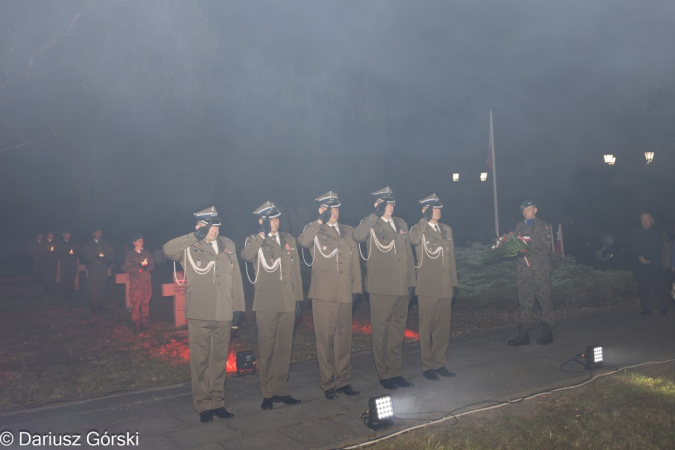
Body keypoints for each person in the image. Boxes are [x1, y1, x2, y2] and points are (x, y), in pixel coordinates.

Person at [163, 206, 245, 423]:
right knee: (200, 360)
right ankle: (202, 403)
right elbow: (167, 249)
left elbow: (236, 278)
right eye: (209, 226)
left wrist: (238, 307)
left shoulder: (228, 245)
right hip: (200, 311)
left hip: (224, 310)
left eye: (216, 225)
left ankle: (218, 401)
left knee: (219, 358)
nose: (214, 230)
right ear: (199, 226)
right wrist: (193, 237)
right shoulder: (189, 247)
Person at [297, 191, 362, 400]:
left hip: (345, 291)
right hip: (324, 293)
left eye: (336, 209)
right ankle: (327, 382)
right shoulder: (314, 229)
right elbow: (303, 242)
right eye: (329, 209)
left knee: (344, 338)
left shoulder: (348, 231)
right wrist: (319, 221)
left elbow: (355, 264)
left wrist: (357, 289)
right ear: (321, 210)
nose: (334, 213)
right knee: (325, 339)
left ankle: (343, 380)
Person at [241, 201, 303, 410]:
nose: (275, 223)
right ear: (262, 221)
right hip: (266, 303)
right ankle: (267, 393)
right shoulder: (254, 240)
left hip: (287, 301)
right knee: (266, 349)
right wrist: (262, 234)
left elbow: (296, 272)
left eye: (276, 219)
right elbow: (247, 256)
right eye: (270, 220)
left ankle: (282, 390)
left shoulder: (289, 240)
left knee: (284, 349)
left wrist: (298, 299)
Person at [353, 187, 416, 390]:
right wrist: (375, 215)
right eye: (385, 204)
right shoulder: (370, 223)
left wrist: (411, 283)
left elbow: (408, 255)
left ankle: (395, 371)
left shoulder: (401, 224)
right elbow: (358, 235)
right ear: (377, 205)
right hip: (381, 287)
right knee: (381, 332)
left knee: (397, 332)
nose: (390, 207)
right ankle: (384, 373)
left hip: (401, 286)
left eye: (391, 203)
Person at [409, 194, 458, 380]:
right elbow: (413, 241)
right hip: (427, 286)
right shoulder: (418, 229)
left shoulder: (446, 230)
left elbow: (451, 258)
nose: (437, 211)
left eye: (438, 208)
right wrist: (424, 219)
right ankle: (427, 365)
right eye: (433, 209)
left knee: (442, 328)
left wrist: (454, 282)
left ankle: (440, 363)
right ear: (426, 210)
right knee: (426, 327)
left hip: (445, 285)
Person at [508, 200, 554, 346]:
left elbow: (545, 247)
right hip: (523, 270)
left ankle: (547, 330)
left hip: (539, 269)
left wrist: (528, 250)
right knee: (524, 300)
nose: (525, 212)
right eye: (523, 210)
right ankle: (524, 332)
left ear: (535, 210)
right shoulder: (519, 226)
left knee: (544, 299)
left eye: (528, 209)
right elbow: (515, 244)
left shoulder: (543, 225)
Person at [630, 212, 670, 316]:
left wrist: (648, 259)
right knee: (643, 289)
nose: (645, 222)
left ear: (651, 220)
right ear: (640, 221)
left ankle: (663, 309)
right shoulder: (635, 232)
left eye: (647, 220)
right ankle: (646, 309)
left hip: (654, 265)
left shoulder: (657, 232)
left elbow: (658, 247)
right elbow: (633, 247)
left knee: (659, 288)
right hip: (640, 265)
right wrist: (640, 258)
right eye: (643, 220)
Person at [124, 234, 155, 333]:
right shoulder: (130, 254)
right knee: (136, 303)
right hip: (136, 282)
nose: (141, 242)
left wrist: (146, 267)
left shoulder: (147, 253)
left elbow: (152, 266)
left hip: (146, 281)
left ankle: (144, 321)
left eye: (142, 240)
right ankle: (136, 322)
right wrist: (138, 267)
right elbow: (127, 267)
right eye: (138, 241)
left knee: (146, 302)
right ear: (134, 243)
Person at [81, 227, 115, 312]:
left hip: (103, 269)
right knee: (94, 287)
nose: (98, 234)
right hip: (93, 269)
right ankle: (94, 305)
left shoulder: (106, 244)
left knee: (103, 286)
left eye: (99, 232)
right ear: (93, 234)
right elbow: (84, 256)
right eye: (96, 232)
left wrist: (105, 257)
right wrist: (95, 256)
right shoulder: (88, 244)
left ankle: (101, 305)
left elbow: (111, 255)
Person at [59, 230, 80, 301]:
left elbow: (78, 252)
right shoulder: (60, 243)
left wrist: (73, 255)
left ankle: (72, 295)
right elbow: (58, 253)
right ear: (63, 235)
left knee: (71, 280)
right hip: (64, 264)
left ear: (70, 235)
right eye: (66, 234)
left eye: (68, 234)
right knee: (64, 280)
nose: (67, 235)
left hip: (72, 264)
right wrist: (66, 255)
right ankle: (65, 295)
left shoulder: (74, 243)